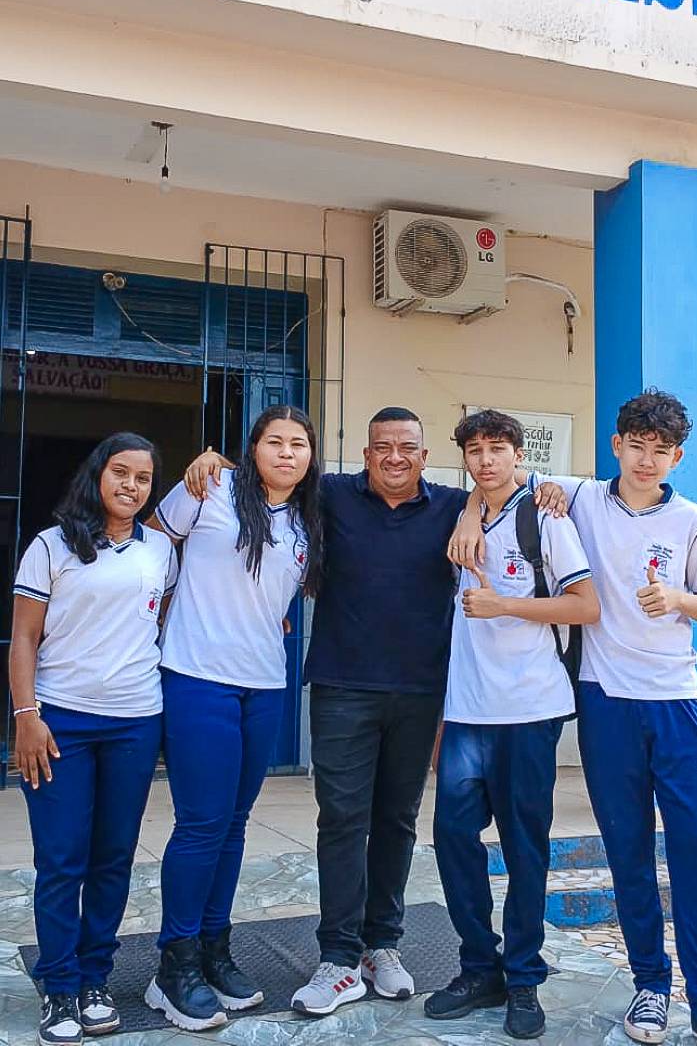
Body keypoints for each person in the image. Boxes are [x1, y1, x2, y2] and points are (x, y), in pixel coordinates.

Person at [185, 408, 567, 1018]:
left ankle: (381, 946)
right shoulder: (332, 494)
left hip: (419, 691)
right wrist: (216, 463)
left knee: (397, 821)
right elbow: (275, 473)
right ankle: (337, 957)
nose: (394, 457)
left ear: (424, 456)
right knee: (342, 820)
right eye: (382, 446)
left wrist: (515, 493)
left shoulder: (451, 505)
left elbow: (494, 486)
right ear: (365, 454)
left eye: (407, 447)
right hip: (341, 687)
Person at [450, 391, 697, 1046]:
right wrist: (465, 514)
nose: (646, 459)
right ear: (616, 446)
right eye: (637, 445)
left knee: (694, 849)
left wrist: (679, 598)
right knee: (627, 853)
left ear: (676, 456)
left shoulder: (689, 519)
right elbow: (499, 475)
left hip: (675, 702)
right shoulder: (580, 497)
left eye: (661, 450)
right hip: (605, 704)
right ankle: (650, 988)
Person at [144, 406, 323, 1033]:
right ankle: (175, 965)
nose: (287, 453)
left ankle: (214, 948)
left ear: (310, 457)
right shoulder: (209, 487)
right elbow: (151, 547)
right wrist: (154, 615)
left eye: (298, 444)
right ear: (251, 449)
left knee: (236, 823)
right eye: (274, 441)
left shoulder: (308, 519)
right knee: (201, 823)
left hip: (263, 684)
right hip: (197, 677)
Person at [424, 410, 599, 1041]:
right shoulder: (462, 514)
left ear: (518, 454)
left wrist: (504, 605)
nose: (486, 460)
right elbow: (475, 502)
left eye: (497, 448)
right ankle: (480, 968)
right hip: (468, 709)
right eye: (475, 450)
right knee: (452, 839)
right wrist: (472, 509)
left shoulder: (546, 516)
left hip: (529, 709)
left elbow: (586, 606)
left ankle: (523, 976)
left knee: (525, 847)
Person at [9, 433, 177, 1046]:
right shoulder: (51, 546)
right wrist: (26, 715)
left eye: (143, 478)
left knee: (113, 856)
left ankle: (94, 979)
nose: (130, 486)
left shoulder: (161, 550)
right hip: (61, 723)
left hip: (136, 719)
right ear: (97, 475)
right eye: (120, 472)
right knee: (62, 859)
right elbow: (24, 638)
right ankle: (59, 986)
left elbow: (161, 623)